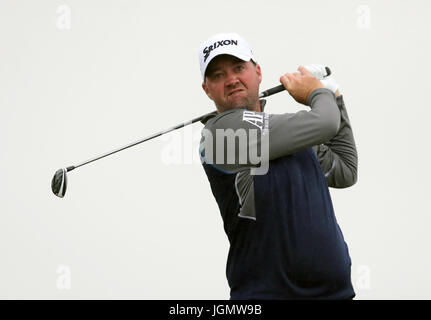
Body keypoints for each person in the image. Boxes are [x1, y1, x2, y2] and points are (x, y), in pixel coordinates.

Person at [198, 33, 358, 300]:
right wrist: (317, 92)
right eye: (217, 75)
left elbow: (345, 169)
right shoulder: (219, 136)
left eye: (239, 68)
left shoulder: (289, 133)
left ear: (258, 72)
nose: (231, 80)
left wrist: (335, 96)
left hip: (335, 295)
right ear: (207, 89)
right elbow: (325, 123)